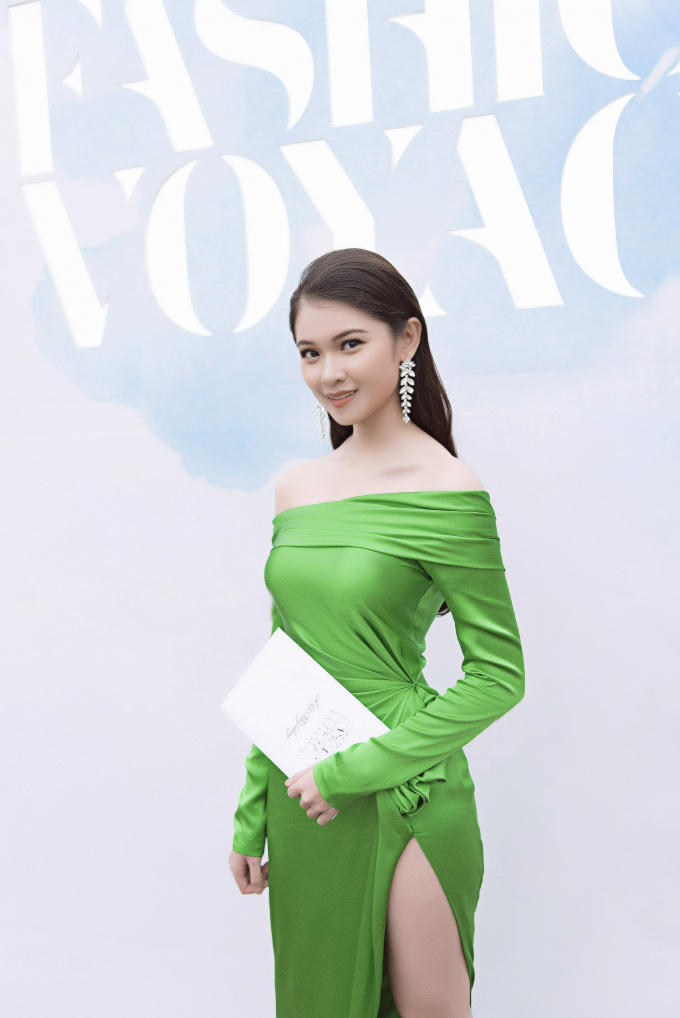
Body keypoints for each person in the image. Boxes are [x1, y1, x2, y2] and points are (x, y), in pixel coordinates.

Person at [228, 248, 525, 1018]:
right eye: (310, 352)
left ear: (408, 339)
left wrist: (350, 772)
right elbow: (285, 664)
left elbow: (499, 676)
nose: (329, 373)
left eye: (350, 344)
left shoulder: (448, 490)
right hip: (303, 797)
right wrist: (253, 812)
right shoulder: (297, 488)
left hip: (404, 787)